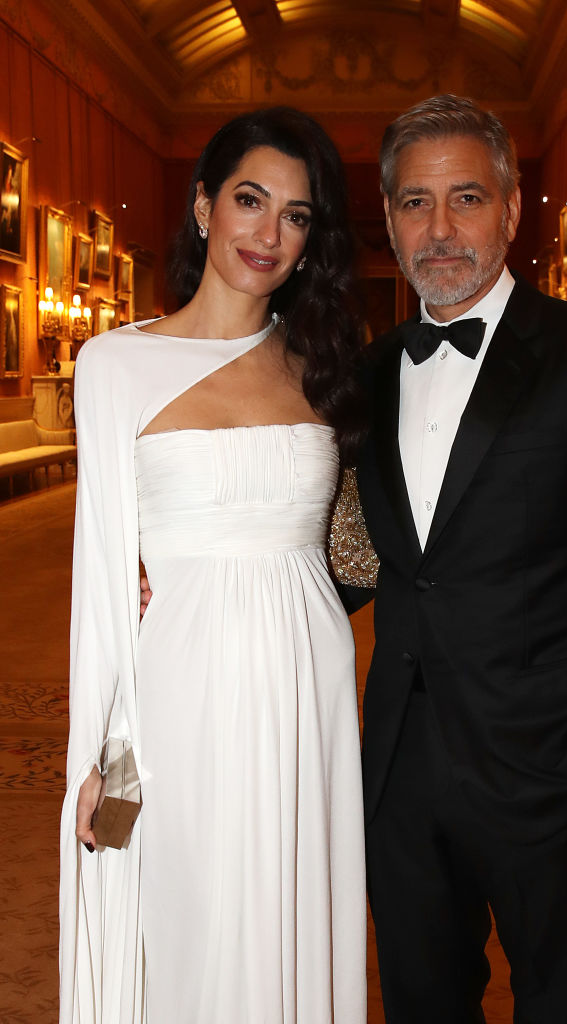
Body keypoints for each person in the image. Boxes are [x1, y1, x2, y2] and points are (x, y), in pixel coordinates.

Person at [353, 95, 567, 1023]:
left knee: (560, 997)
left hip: (546, 757)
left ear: (510, 206)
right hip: (400, 761)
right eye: (415, 203)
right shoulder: (368, 373)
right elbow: (349, 549)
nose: (441, 227)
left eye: (466, 197)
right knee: (421, 996)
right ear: (387, 219)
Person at [59, 107, 367, 1024]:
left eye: (297, 214)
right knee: (190, 917)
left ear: (314, 240)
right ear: (203, 207)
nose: (269, 233)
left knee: (289, 907)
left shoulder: (326, 365)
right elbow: (103, 577)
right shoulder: (113, 365)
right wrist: (95, 755)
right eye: (249, 199)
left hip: (308, 687)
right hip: (180, 688)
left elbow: (369, 541)